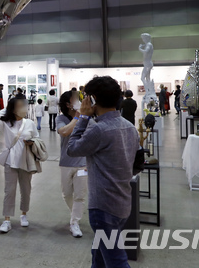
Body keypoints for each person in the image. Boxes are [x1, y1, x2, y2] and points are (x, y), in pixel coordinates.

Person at [68, 76, 139, 268]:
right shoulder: (130, 128)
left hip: (103, 207)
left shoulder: (100, 130)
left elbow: (72, 148)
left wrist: (82, 117)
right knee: (99, 256)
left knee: (116, 261)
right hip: (123, 202)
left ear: (92, 99)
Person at [0, 98, 40, 233]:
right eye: (20, 106)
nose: (23, 108)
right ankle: (7, 220)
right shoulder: (6, 123)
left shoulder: (29, 123)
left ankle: (24, 214)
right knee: (9, 191)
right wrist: (9, 108)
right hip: (10, 161)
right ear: (13, 108)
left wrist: (32, 142)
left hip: (26, 160)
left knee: (26, 189)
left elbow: (37, 137)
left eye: (24, 106)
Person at [56, 91, 87, 238]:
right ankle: (75, 213)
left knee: (80, 195)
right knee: (66, 194)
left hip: (82, 163)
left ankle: (74, 223)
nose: (78, 101)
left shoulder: (87, 118)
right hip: (66, 162)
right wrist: (77, 117)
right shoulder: (61, 118)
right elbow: (64, 132)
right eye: (75, 99)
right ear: (68, 104)